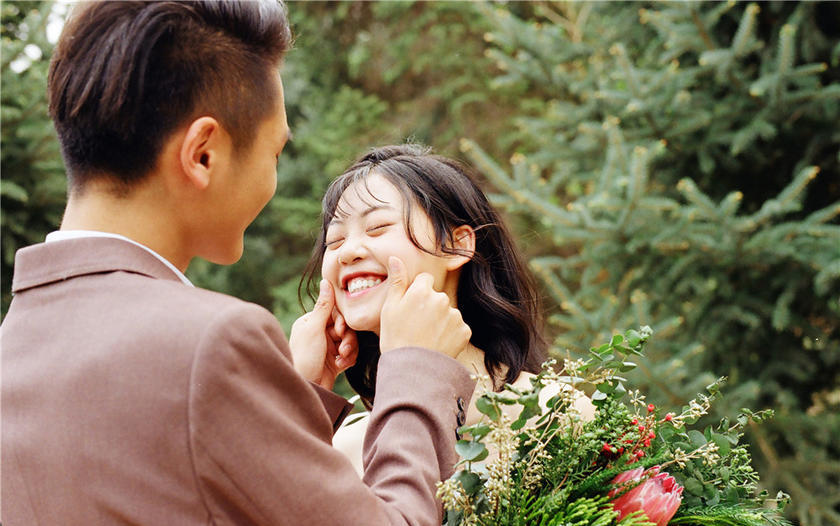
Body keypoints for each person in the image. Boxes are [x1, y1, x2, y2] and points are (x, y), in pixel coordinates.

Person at [0, 2, 476, 525]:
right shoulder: (214, 343)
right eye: (274, 153)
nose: (272, 180)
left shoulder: (13, 348)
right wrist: (415, 370)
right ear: (203, 154)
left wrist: (295, 399)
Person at [300, 144, 595, 474]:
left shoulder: (554, 415)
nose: (347, 252)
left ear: (456, 245)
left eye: (378, 227)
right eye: (335, 241)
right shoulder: (342, 449)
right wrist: (300, 392)